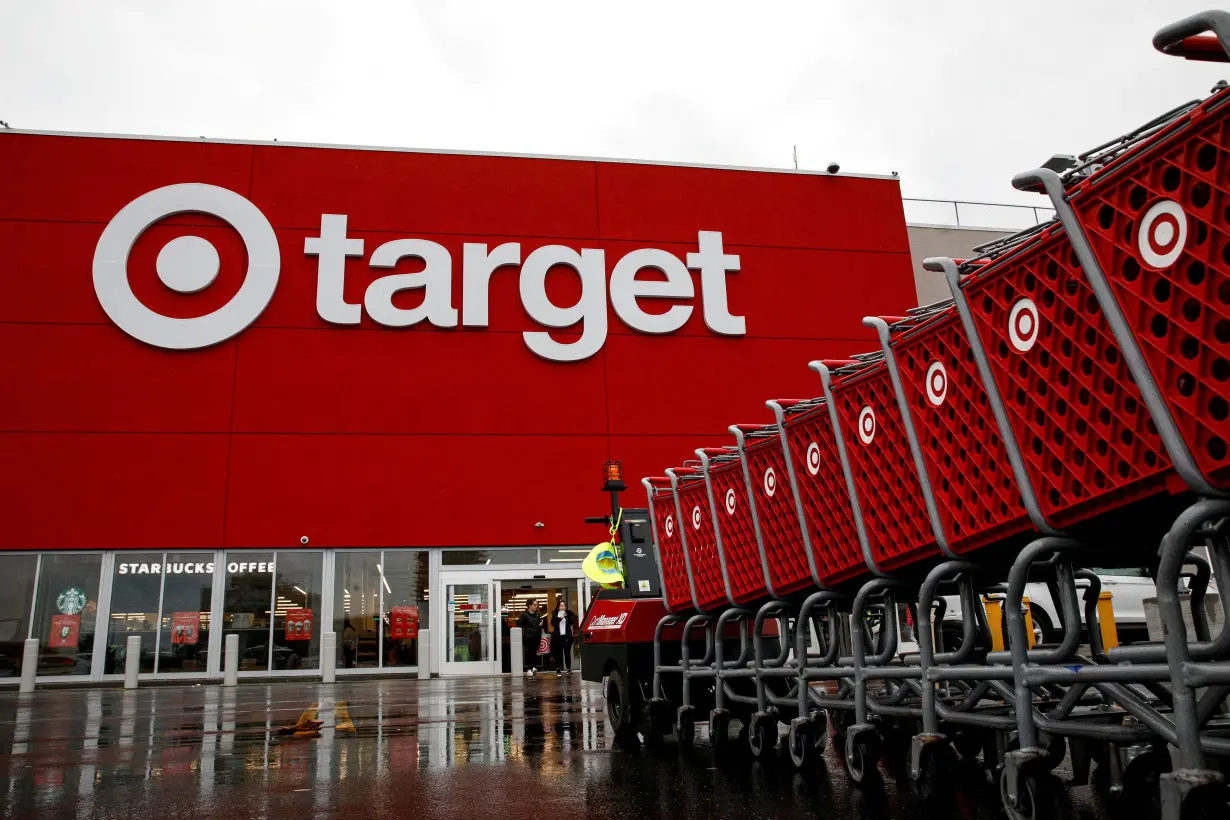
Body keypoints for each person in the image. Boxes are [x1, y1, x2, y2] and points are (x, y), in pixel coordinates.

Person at [518, 600, 544, 678]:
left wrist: (541, 624)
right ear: (529, 605)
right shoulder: (524, 615)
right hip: (528, 636)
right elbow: (519, 624)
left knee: (534, 653)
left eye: (537, 605)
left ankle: (532, 667)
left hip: (536, 636)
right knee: (530, 653)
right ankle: (529, 669)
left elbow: (539, 625)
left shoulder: (538, 615)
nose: (536, 606)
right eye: (534, 605)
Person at [551, 599, 576, 675]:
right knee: (558, 653)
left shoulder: (568, 613)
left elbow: (572, 622)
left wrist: (567, 617)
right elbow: (553, 623)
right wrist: (560, 618)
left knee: (567, 653)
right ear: (558, 607)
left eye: (564, 605)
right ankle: (558, 668)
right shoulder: (555, 613)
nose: (563, 607)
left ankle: (568, 668)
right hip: (558, 637)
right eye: (561, 605)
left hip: (566, 636)